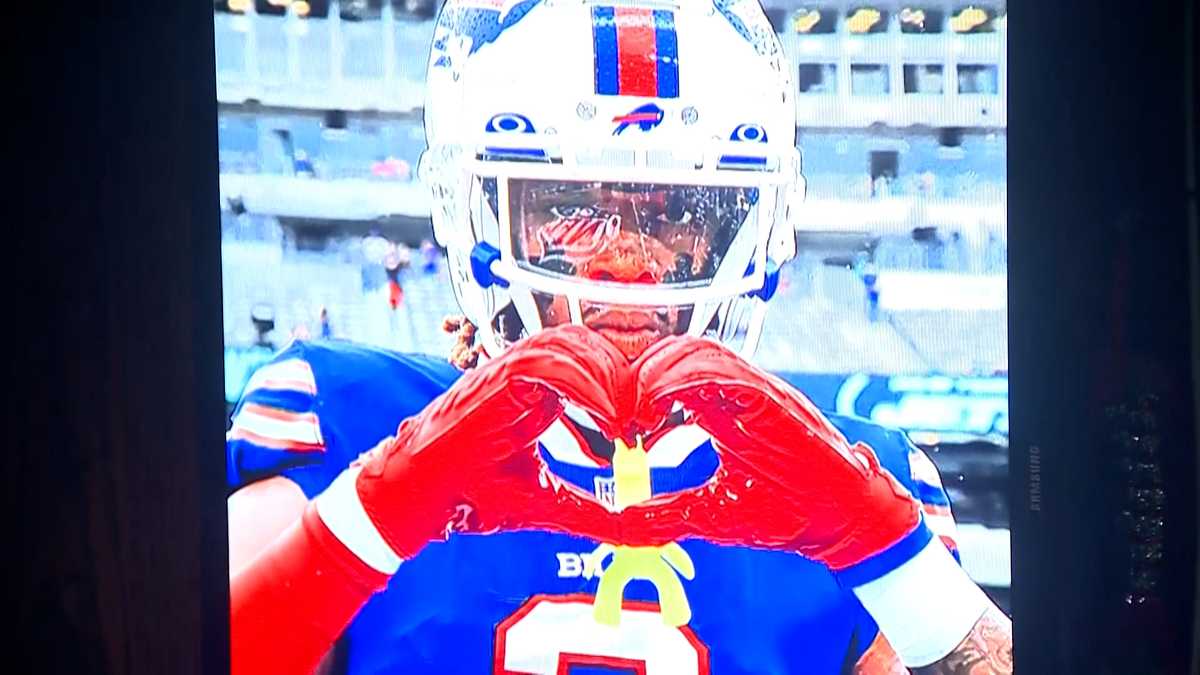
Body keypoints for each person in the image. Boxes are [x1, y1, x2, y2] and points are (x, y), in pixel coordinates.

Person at [227, 2, 1012, 674]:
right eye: (571, 207)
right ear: (476, 211)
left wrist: (888, 549)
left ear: (757, 225)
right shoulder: (349, 419)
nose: (629, 259)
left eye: (678, 213)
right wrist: (366, 520)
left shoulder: (855, 476)